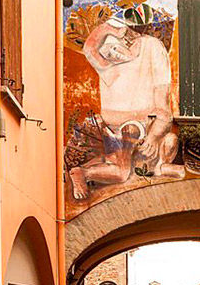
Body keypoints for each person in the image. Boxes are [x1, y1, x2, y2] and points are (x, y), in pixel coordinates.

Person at [67, 18, 182, 200]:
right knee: (121, 172)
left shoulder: (149, 48)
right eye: (109, 51)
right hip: (127, 128)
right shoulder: (109, 69)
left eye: (115, 47)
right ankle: (83, 173)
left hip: (137, 127)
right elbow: (89, 49)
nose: (114, 54)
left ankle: (85, 172)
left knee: (163, 147)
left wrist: (153, 137)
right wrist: (106, 29)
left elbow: (163, 110)